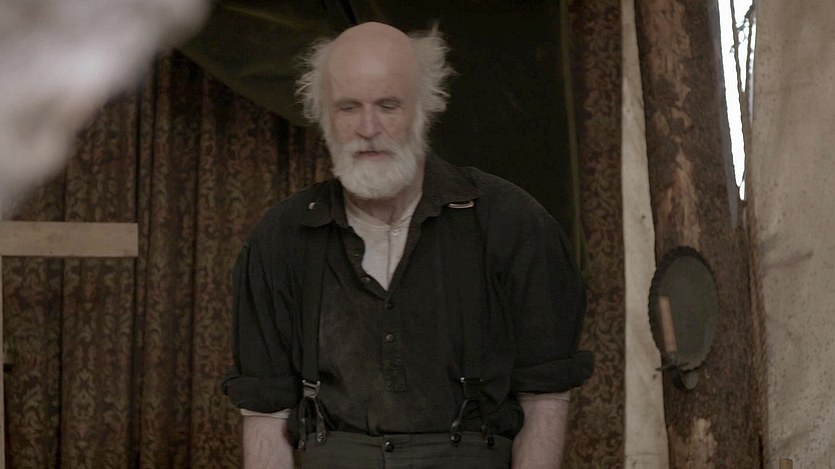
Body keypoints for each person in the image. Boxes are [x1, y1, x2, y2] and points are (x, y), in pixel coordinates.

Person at [222, 21, 593, 469]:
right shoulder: (281, 237)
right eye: (348, 107)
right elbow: (266, 417)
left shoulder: (510, 222)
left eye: (388, 105)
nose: (368, 127)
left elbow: (545, 399)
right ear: (323, 116)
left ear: (424, 107)